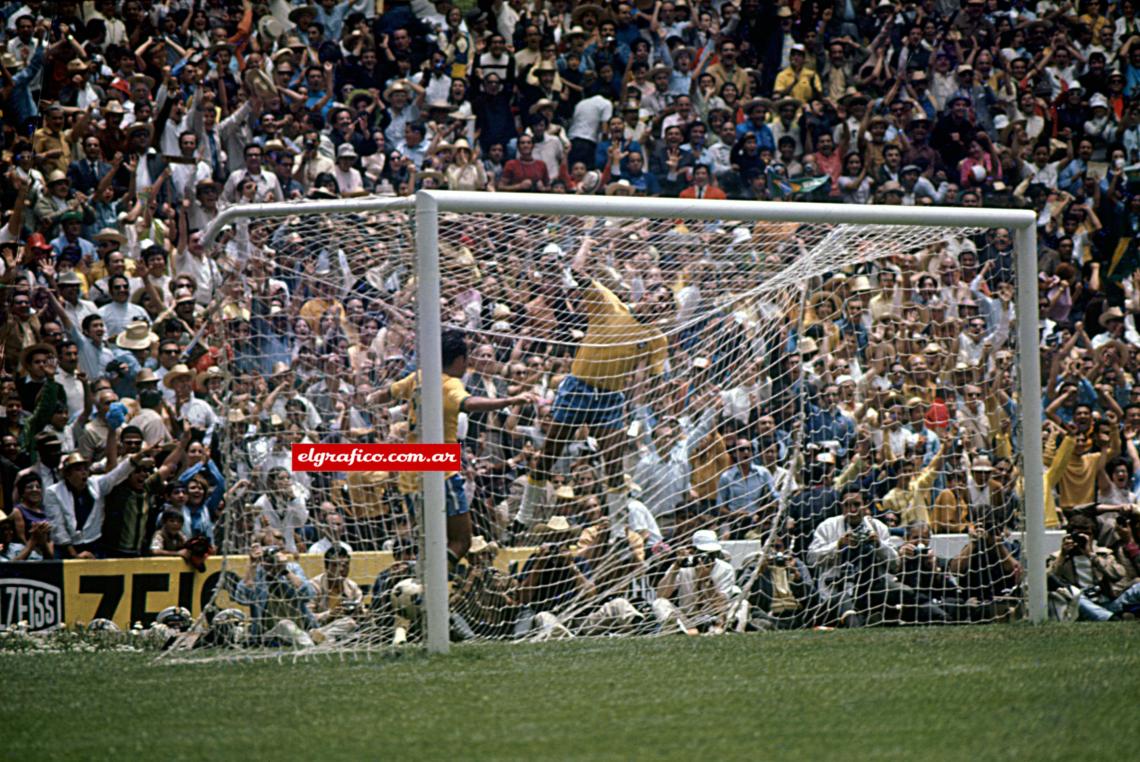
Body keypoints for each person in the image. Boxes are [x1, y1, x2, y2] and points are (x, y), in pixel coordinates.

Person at [513, 236, 672, 539]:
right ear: (647, 295)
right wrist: (586, 244)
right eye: (660, 298)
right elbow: (576, 273)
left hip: (611, 399)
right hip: (578, 388)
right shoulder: (610, 304)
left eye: (666, 305)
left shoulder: (656, 338)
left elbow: (651, 381)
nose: (661, 306)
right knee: (549, 454)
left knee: (614, 463)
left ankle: (615, 529)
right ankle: (524, 516)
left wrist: (649, 410)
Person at [368, 329, 534, 563]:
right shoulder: (450, 384)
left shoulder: (418, 377)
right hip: (440, 471)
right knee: (461, 542)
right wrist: (508, 400)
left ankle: (424, 580)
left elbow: (388, 393)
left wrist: (370, 398)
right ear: (459, 360)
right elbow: (469, 403)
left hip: (410, 471)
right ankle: (436, 589)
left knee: (428, 540)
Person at [653, 529, 738, 635]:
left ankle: (722, 630)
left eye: (712, 554)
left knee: (741, 603)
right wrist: (676, 567)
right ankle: (684, 631)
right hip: (688, 618)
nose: (708, 558)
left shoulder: (725, 569)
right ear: (693, 551)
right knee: (659, 604)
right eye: (703, 553)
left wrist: (707, 581)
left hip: (714, 618)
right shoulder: (684, 566)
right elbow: (661, 595)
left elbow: (720, 606)